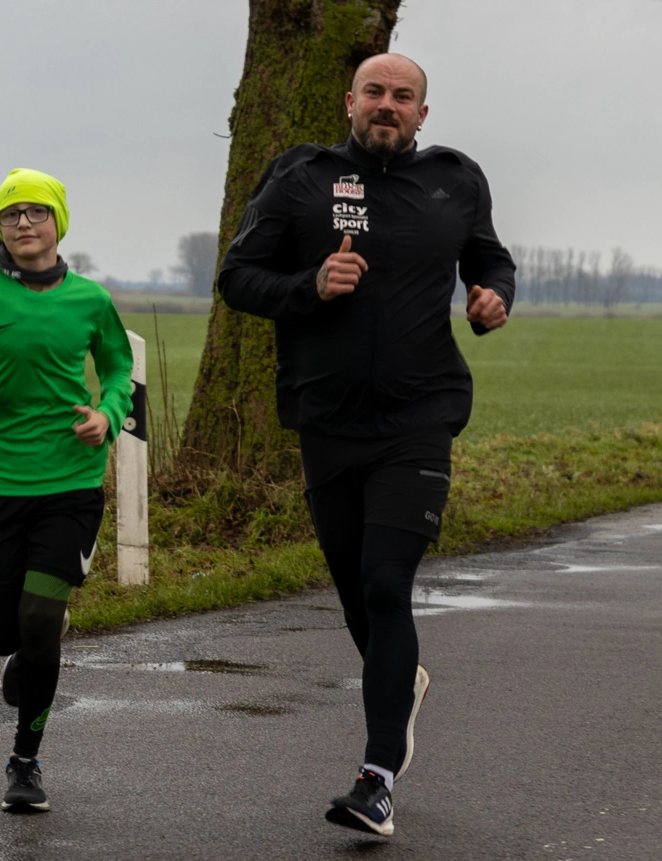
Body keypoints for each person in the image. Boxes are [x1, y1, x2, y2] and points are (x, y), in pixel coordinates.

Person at [217, 53, 515, 836]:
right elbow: (239, 278)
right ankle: (400, 683)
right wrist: (308, 287)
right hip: (326, 417)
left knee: (387, 585)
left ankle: (376, 777)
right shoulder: (301, 178)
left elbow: (489, 257)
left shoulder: (456, 179)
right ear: (350, 101)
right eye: (375, 92)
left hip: (419, 415)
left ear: (423, 112)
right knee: (357, 592)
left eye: (403, 96)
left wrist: (492, 297)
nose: (387, 105)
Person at [0, 169, 134, 811]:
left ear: (57, 223)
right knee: (0, 635)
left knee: (38, 622)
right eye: (10, 215)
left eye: (36, 213)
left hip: (71, 481)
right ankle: (36, 639)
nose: (22, 224)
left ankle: (25, 760)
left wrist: (108, 413)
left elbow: (120, 367)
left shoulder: (91, 301)